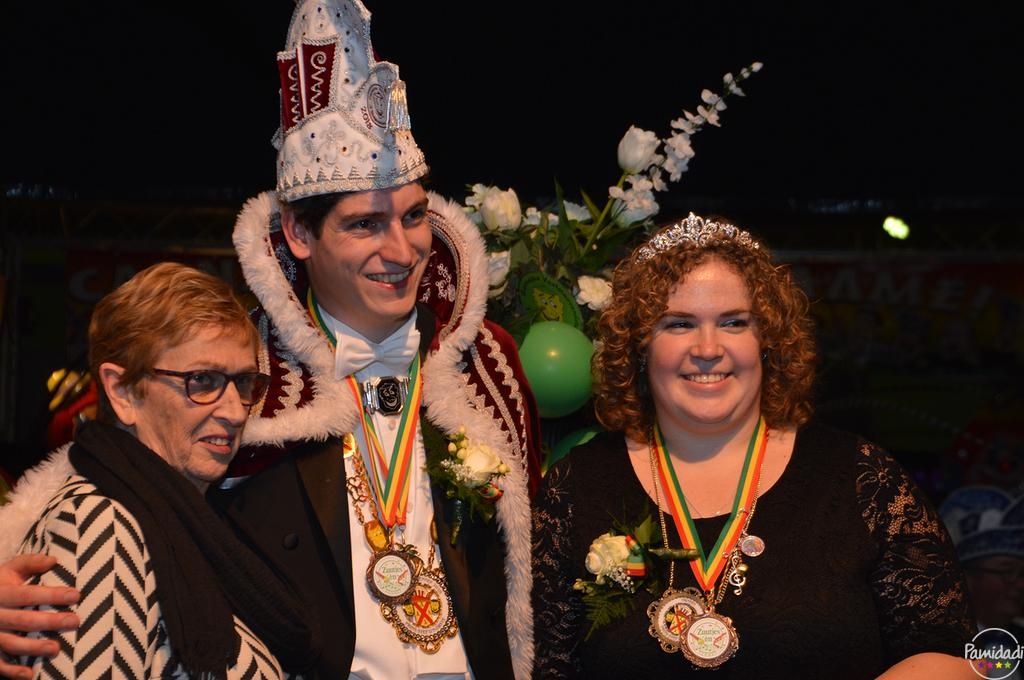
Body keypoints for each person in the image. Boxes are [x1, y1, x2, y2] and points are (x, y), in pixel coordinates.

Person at [0, 1, 541, 679]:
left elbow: (538, 559)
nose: (403, 250)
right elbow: (97, 468)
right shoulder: (240, 367)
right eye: (365, 225)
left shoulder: (487, 360)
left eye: (412, 217)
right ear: (298, 233)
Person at [531, 213, 976, 678]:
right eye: (679, 324)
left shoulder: (862, 479)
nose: (707, 348)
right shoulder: (576, 486)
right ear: (640, 346)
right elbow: (543, 666)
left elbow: (959, 657)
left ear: (767, 339)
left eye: (733, 322)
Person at [0, 262, 320, 678]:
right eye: (202, 380)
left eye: (243, 382)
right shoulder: (100, 522)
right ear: (122, 391)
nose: (234, 411)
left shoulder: (178, 521)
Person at [940, 485, 1024, 642]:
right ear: (966, 578)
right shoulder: (940, 643)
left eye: (1022, 574)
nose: (1021, 584)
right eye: (1008, 572)